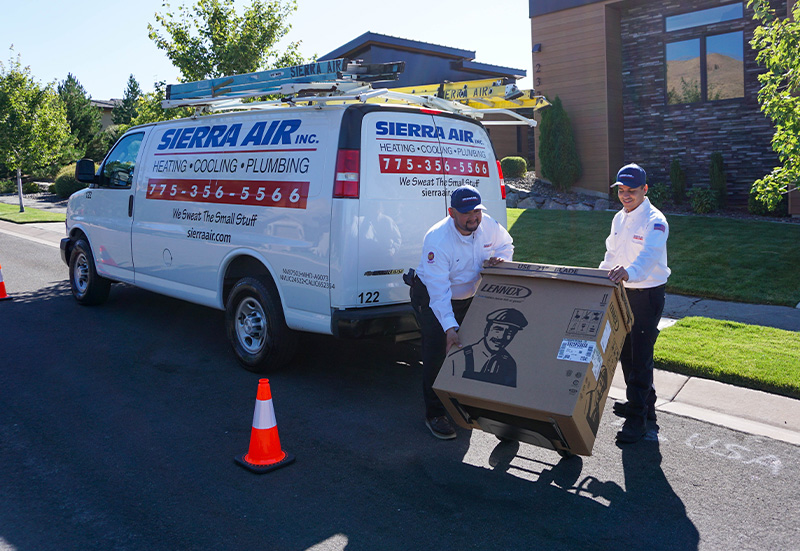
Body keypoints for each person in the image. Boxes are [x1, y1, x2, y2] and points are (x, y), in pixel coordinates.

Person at [410, 185, 514, 439]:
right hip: (434, 298)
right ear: (452, 212)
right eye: (466, 213)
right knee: (437, 354)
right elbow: (439, 293)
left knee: (471, 351)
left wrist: (501, 261)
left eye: (476, 211)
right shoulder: (437, 239)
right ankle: (434, 413)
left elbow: (506, 245)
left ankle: (463, 405)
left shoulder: (488, 224)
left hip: (470, 296)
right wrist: (449, 327)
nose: (473, 217)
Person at [599, 163, 670, 444]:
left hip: (647, 294)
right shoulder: (619, 218)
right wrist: (600, 278)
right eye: (621, 190)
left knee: (639, 356)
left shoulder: (656, 220)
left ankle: (637, 420)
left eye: (632, 191)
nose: (626, 195)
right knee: (625, 353)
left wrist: (629, 272)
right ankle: (643, 406)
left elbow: (649, 255)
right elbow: (611, 253)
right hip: (621, 290)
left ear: (645, 190)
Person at [449, 308, 528, 388]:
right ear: (486, 330)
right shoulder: (458, 358)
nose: (501, 337)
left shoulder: (509, 363)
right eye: (498, 330)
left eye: (510, 332)